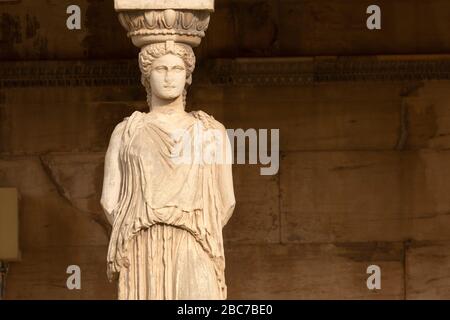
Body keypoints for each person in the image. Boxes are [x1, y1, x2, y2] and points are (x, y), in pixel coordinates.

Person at [100, 41, 236, 300]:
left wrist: (193, 225)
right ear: (146, 76)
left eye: (176, 68)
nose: (169, 76)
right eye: (160, 68)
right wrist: (139, 225)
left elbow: (226, 200)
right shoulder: (127, 131)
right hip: (141, 244)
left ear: (188, 76)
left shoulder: (211, 130)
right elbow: (109, 200)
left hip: (196, 240)